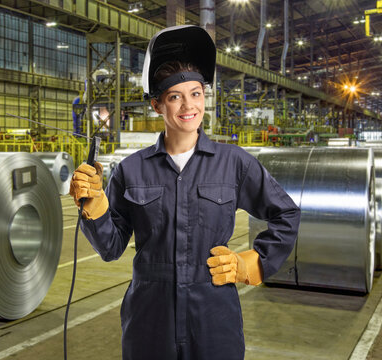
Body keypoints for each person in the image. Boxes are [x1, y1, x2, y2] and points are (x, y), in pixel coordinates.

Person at [69, 25, 301, 360]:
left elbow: (286, 214)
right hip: (149, 321)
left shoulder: (234, 164)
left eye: (196, 93)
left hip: (213, 320)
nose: (188, 105)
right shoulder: (130, 171)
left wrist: (251, 263)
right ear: (157, 106)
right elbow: (110, 247)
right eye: (175, 96)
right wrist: (93, 205)